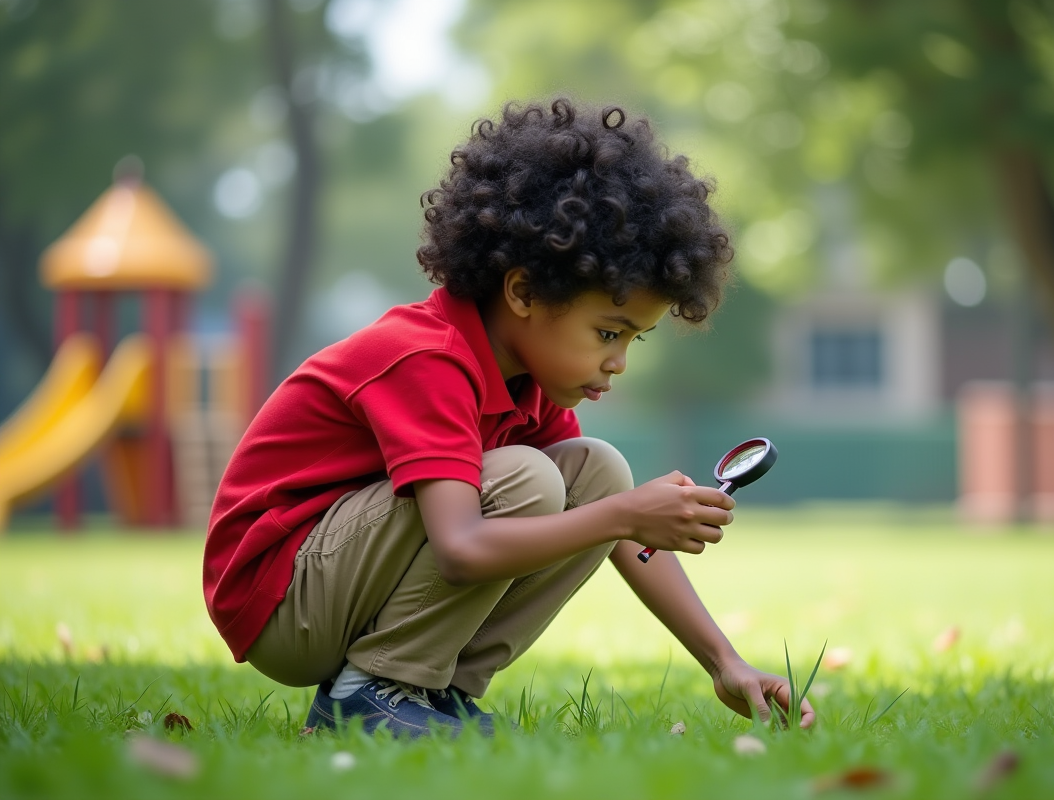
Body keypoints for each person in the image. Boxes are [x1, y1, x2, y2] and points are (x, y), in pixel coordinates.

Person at [202, 98, 816, 738]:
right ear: (523, 292)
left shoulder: (533, 378)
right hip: (281, 597)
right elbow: (463, 549)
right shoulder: (427, 358)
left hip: (342, 580)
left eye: (635, 338)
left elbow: (614, 523)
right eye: (608, 331)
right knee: (530, 479)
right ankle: (369, 696)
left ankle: (432, 696)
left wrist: (724, 662)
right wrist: (624, 514)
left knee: (598, 471)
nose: (619, 362)